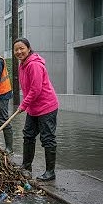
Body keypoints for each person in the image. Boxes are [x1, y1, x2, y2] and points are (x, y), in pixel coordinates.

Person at [13, 37, 59, 181]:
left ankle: (50, 172)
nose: (19, 51)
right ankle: (26, 167)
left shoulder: (34, 65)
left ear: (28, 48)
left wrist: (23, 105)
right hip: (33, 107)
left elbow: (36, 89)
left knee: (47, 138)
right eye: (16, 49)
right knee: (28, 135)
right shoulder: (22, 65)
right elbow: (27, 89)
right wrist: (27, 105)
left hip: (46, 106)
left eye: (22, 48)